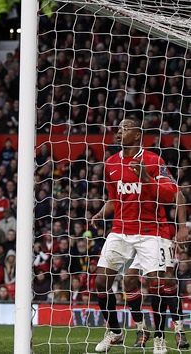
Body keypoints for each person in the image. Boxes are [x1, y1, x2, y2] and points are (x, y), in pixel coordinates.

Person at [90, 117, 178, 354]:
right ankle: (115, 331)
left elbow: (171, 195)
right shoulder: (110, 163)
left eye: (125, 129)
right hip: (120, 229)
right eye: (118, 128)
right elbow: (113, 198)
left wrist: (147, 179)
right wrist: (100, 213)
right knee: (100, 281)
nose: (119, 132)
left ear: (138, 135)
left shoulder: (152, 161)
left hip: (150, 231)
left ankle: (161, 335)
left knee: (157, 282)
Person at [123, 190, 189, 349]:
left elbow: (179, 195)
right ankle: (142, 330)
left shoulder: (156, 176)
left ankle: (177, 331)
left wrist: (182, 227)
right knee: (129, 279)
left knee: (164, 279)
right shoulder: (127, 182)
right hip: (137, 238)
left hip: (160, 236)